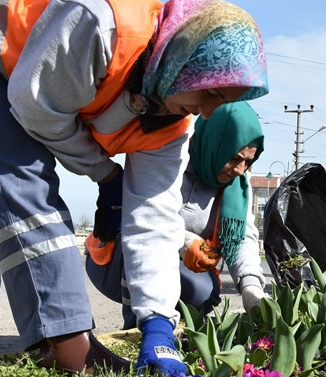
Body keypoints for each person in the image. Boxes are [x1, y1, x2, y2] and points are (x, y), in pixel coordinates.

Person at [0, 0, 268, 377]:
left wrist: (158, 323)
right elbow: (40, 115)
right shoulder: (100, 28)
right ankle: (69, 346)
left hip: (14, 68)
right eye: (211, 93)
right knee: (19, 169)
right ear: (183, 60)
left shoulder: (171, 120)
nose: (209, 112)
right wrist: (106, 175)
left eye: (223, 101)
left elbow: (154, 218)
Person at [85, 101, 269, 326]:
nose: (240, 170)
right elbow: (140, 212)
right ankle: (136, 324)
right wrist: (183, 241)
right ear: (215, 143)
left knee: (204, 291)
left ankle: (171, 324)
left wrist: (251, 286)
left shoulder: (237, 187)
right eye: (234, 158)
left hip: (180, 270)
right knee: (140, 238)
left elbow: (242, 238)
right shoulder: (170, 157)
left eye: (248, 161)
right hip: (115, 263)